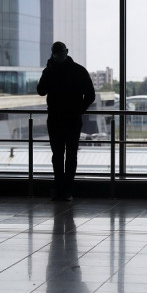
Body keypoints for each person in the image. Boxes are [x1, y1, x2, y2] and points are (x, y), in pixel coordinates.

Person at [37, 41, 95, 201]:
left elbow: (41, 91)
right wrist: (78, 110)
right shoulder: (79, 71)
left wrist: (48, 71)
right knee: (69, 156)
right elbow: (90, 95)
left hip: (56, 119)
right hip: (72, 120)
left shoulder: (51, 71)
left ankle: (59, 188)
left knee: (58, 155)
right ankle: (66, 190)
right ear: (66, 52)